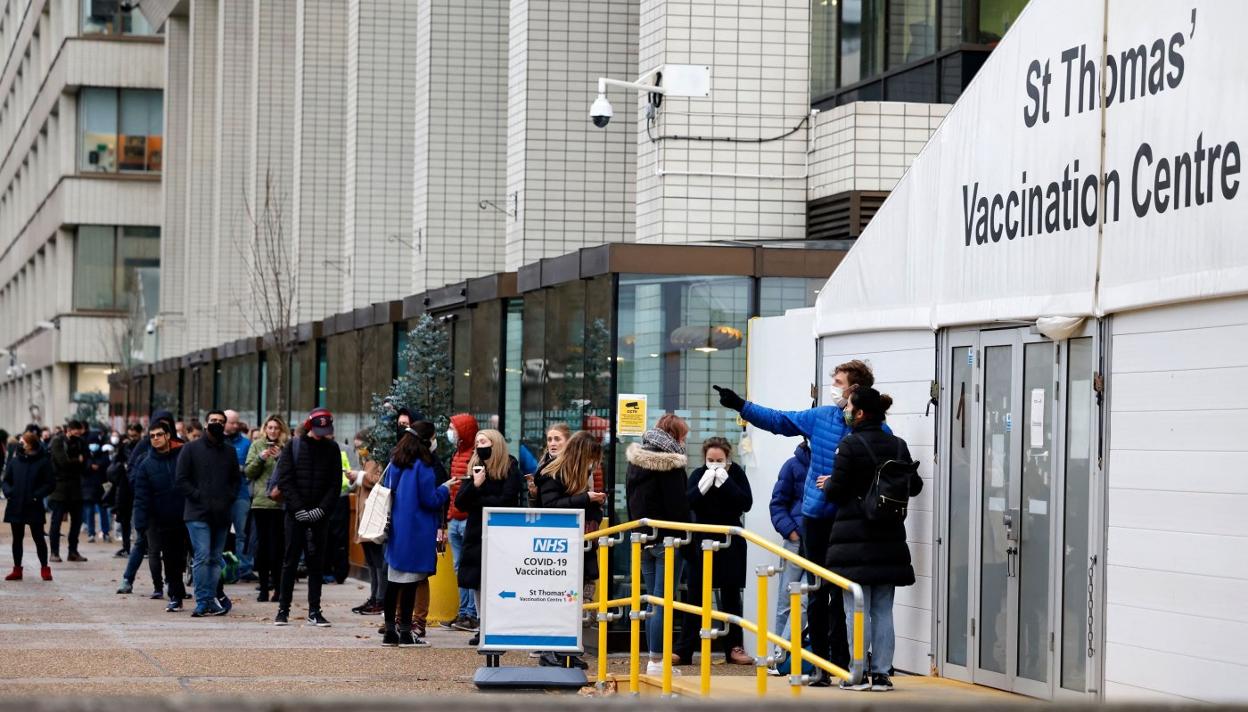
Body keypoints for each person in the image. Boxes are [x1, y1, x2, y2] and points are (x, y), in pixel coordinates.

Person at [713, 359, 881, 684]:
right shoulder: (821, 417)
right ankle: (818, 667)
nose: (833, 388)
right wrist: (741, 406)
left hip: (851, 520)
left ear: (855, 389)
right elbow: (780, 420)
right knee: (816, 592)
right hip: (816, 519)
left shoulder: (873, 428)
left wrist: (843, 482)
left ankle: (843, 663)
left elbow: (880, 469)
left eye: (839, 382)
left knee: (845, 595)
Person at [819, 387, 922, 692]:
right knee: (883, 609)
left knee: (856, 609)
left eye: (848, 407)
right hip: (889, 538)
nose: (845, 411)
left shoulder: (849, 445)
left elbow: (837, 491)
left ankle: (857, 673)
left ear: (861, 413)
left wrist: (828, 484)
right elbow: (914, 486)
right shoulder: (898, 445)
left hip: (855, 539)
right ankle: (882, 674)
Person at [675, 436, 754, 666]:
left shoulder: (736, 473)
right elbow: (687, 502)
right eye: (711, 460)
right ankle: (684, 650)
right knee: (695, 596)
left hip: (730, 540)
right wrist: (705, 485)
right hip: (701, 540)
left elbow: (745, 503)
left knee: (730, 597)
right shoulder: (699, 474)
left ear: (728, 458)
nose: (715, 464)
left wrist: (726, 482)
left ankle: (734, 648)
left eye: (719, 460)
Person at [624, 414, 691, 676]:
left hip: (643, 539)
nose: (684, 442)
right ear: (675, 436)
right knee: (663, 602)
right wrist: (687, 533)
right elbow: (678, 506)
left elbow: (630, 501)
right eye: (683, 436)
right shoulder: (670, 463)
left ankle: (654, 660)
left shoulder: (635, 460)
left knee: (652, 601)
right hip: (668, 540)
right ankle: (658, 662)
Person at [533, 429, 605, 668]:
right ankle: (550, 651)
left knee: (572, 602)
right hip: (558, 548)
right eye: (591, 458)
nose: (593, 464)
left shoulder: (578, 474)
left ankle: (567, 650)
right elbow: (551, 506)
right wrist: (587, 499)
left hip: (577, 547)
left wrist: (595, 506)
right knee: (558, 601)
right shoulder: (551, 473)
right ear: (582, 455)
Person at [382, 422, 452, 647]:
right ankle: (405, 633)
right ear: (425, 440)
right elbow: (430, 500)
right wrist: (445, 489)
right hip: (417, 531)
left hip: (397, 530)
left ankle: (390, 632)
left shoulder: (396, 462)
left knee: (393, 583)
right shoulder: (424, 465)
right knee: (411, 585)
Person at [272, 408, 343, 627]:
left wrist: (321, 510)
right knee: (290, 562)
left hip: (319, 515)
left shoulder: (332, 449)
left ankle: (314, 610)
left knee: (316, 564)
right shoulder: (293, 446)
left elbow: (335, 484)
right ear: (309, 426)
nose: (322, 435)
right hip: (296, 514)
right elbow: (285, 479)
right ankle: (283, 609)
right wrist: (299, 509)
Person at [453, 428, 523, 645]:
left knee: (499, 580)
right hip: (476, 532)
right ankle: (483, 626)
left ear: (495, 443)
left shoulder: (510, 466)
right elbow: (460, 502)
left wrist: (478, 501)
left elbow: (507, 500)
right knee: (477, 581)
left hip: (501, 533)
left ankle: (499, 625)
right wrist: (475, 485)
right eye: (477, 442)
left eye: (483, 442)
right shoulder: (476, 466)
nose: (479, 446)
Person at [176, 410, 241, 617]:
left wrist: (228, 498)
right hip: (197, 512)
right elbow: (181, 478)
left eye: (221, 421)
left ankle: (211, 598)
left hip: (221, 513)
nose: (217, 424)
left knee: (215, 558)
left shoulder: (229, 451)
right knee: (202, 556)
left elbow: (235, 480)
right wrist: (198, 495)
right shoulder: (190, 449)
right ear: (206, 424)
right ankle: (203, 600)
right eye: (213, 420)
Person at [132, 421, 190, 612]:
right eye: (152, 436)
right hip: (163, 518)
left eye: (159, 435)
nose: (155, 438)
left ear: (167, 436)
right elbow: (141, 496)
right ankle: (175, 595)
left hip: (189, 513)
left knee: (193, 556)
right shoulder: (146, 464)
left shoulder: (183, 455)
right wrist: (140, 523)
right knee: (171, 559)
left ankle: (211, 594)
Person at [118, 410, 177, 596]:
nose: (157, 437)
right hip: (149, 507)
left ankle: (173, 585)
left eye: (164, 427)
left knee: (172, 549)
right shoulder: (144, 448)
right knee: (145, 545)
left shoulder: (179, 447)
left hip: (173, 508)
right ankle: (130, 579)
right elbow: (133, 473)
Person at [768, 439, 810, 664]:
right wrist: (790, 532)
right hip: (796, 542)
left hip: (818, 542)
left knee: (803, 600)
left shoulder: (833, 462)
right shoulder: (792, 465)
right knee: (785, 601)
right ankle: (779, 658)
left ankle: (781, 655)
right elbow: (777, 503)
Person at [440, 412, 480, 632]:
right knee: (459, 568)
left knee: (468, 567)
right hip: (455, 518)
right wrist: (448, 518)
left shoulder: (474, 455)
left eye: (453, 428)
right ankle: (464, 611)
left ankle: (471, 613)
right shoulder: (457, 453)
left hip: (466, 519)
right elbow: (453, 491)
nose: (450, 432)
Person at [244, 415, 289, 602]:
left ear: (281, 430)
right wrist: (261, 458)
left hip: (280, 504)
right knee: (262, 547)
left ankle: (278, 589)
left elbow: (292, 472)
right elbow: (248, 472)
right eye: (270, 427)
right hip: (261, 502)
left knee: (278, 548)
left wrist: (280, 458)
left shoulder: (287, 447)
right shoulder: (257, 446)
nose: (273, 431)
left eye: (276, 428)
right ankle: (263, 588)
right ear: (265, 429)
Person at [3, 431, 54, 581]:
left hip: (34, 506)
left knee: (38, 538)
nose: (20, 444)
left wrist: (36, 495)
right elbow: (6, 480)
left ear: (30, 444)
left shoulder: (43, 461)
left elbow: (50, 483)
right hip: (15, 505)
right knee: (17, 539)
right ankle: (17, 569)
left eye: (23, 442)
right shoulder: (15, 461)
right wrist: (9, 492)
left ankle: (45, 568)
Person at [347, 429, 386, 615]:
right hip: (365, 516)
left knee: (377, 560)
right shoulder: (366, 461)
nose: (359, 450)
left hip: (374, 516)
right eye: (357, 447)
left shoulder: (378, 461)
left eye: (361, 446)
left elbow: (379, 481)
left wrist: (360, 476)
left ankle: (380, 598)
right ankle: (374, 597)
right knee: (371, 560)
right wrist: (354, 478)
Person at [47, 420, 88, 563]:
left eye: (80, 432)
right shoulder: (57, 441)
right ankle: (54, 552)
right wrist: (77, 461)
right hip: (60, 488)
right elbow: (62, 462)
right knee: (56, 522)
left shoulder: (80, 442)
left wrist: (76, 462)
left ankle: (73, 552)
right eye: (76, 432)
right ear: (69, 430)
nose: (78, 435)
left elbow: (85, 462)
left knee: (76, 522)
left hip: (76, 488)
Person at [223, 410, 254, 582]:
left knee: (242, 533)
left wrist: (240, 468)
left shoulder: (246, 443)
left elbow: (250, 468)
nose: (236, 426)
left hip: (241, 494)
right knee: (221, 533)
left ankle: (244, 567)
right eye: (232, 422)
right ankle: (223, 568)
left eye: (237, 422)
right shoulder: (217, 442)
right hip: (220, 495)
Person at [109, 423, 145, 558]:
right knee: (125, 518)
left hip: (139, 486)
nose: (132, 438)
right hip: (125, 486)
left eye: (135, 436)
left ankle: (143, 547)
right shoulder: (124, 446)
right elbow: (115, 462)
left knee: (139, 519)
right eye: (130, 436)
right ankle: (126, 546)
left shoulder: (143, 446)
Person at [82, 435, 111, 543]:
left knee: (103, 511)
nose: (94, 445)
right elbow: (82, 469)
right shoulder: (85, 455)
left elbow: (108, 470)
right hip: (88, 488)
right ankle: (91, 533)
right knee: (89, 512)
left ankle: (105, 532)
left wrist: (98, 466)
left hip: (101, 487)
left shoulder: (104, 455)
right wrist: (90, 466)